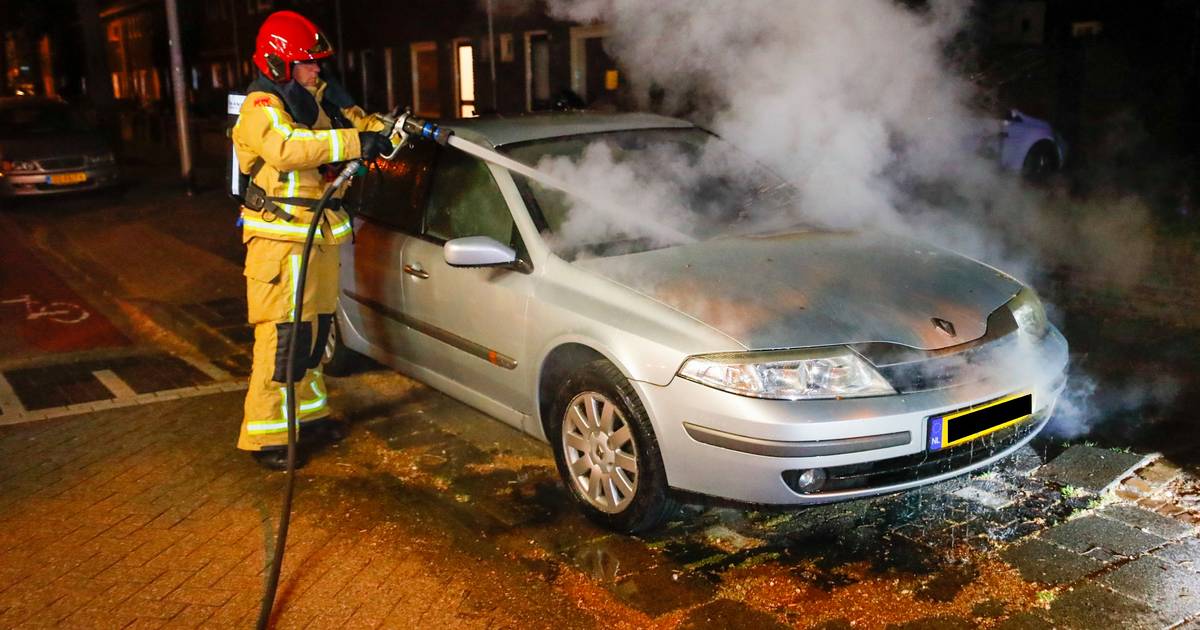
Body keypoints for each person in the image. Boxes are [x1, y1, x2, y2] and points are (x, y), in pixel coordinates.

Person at [231, 10, 396, 470]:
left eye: (317, 61)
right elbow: (288, 149)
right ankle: (267, 436)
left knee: (315, 332)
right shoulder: (261, 107)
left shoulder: (316, 99)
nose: (316, 68)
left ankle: (308, 416)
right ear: (279, 64)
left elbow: (358, 124)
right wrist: (355, 142)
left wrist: (384, 130)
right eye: (307, 62)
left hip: (315, 235)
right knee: (284, 338)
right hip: (281, 241)